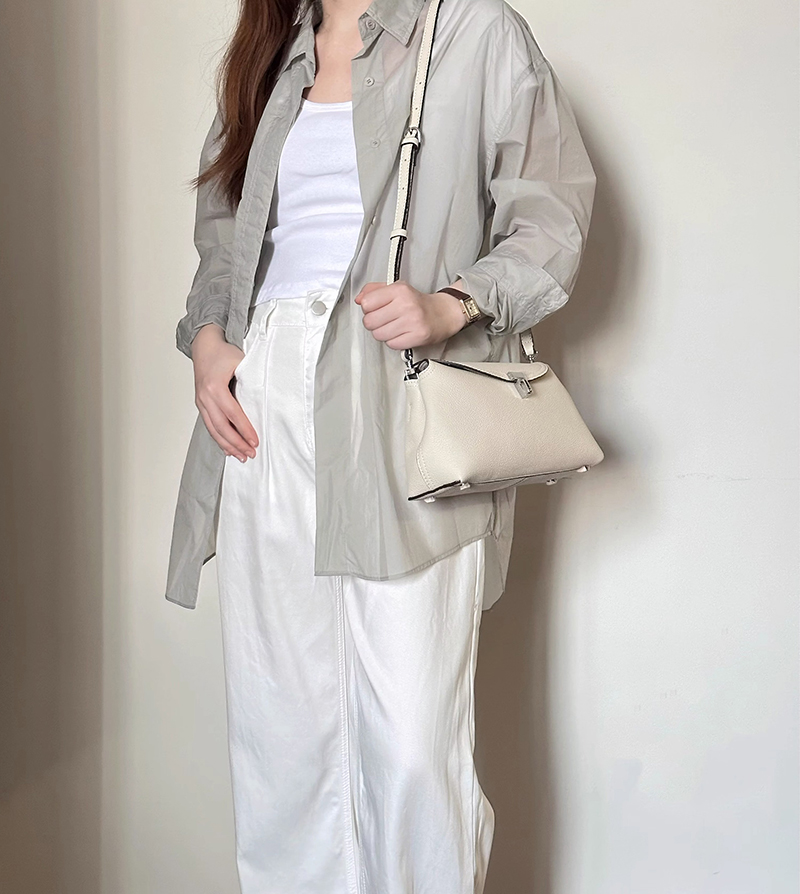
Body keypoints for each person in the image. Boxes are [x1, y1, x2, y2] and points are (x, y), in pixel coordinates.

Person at [164, 0, 596, 890]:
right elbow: (224, 239)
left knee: (409, 744)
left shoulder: (474, 31)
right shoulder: (269, 52)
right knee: (282, 733)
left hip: (395, 395)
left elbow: (552, 218)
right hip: (264, 403)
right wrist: (208, 342)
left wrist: (455, 303)